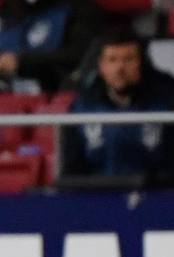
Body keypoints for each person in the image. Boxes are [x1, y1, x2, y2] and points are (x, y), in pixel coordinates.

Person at [62, 28, 174, 186]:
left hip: (155, 200)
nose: (120, 68)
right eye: (112, 60)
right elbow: (71, 173)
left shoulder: (166, 103)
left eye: (128, 59)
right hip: (97, 200)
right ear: (102, 66)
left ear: (141, 63)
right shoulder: (82, 107)